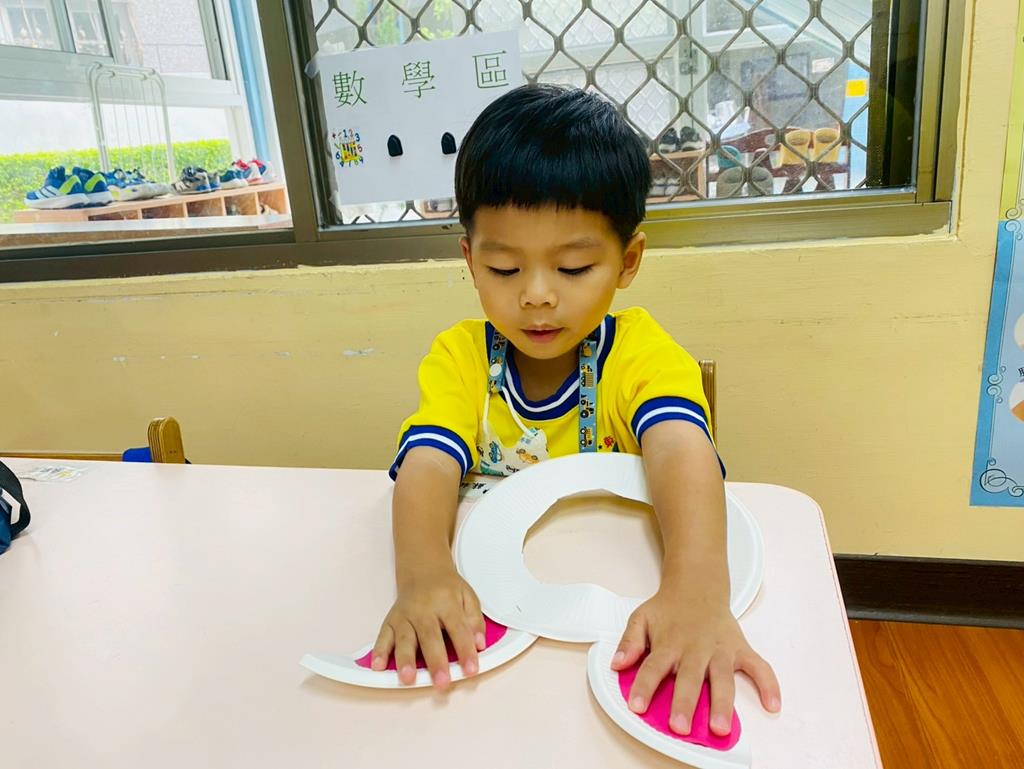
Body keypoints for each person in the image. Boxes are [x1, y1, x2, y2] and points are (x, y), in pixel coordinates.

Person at [372, 83, 780, 737]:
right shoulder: (460, 358)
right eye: (505, 270)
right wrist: (423, 575)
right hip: (494, 638)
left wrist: (698, 590)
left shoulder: (640, 352)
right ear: (470, 260)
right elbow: (427, 464)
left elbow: (681, 447)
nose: (537, 296)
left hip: (611, 624)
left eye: (573, 267)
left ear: (627, 261)